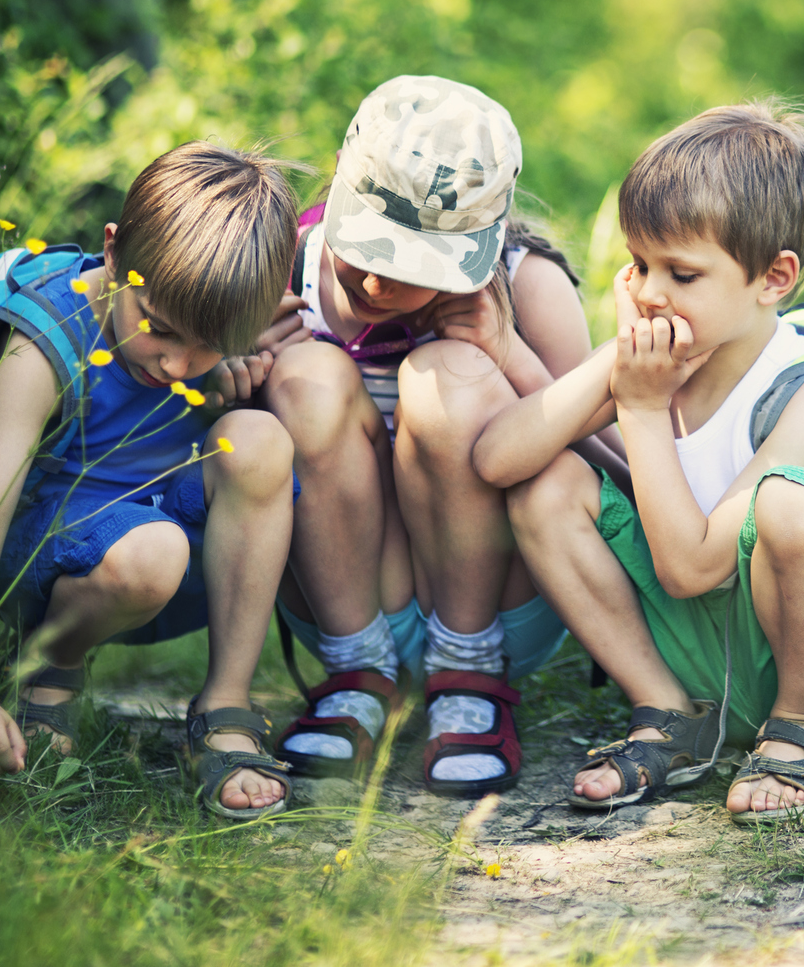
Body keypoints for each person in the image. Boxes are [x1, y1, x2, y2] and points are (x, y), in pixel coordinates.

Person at [475, 100, 804, 824]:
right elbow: (496, 460)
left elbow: (692, 567)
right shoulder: (653, 357)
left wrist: (639, 409)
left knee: (790, 504)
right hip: (692, 646)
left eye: (681, 273)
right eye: (638, 265)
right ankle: (670, 714)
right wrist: (615, 367)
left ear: (773, 278)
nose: (647, 293)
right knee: (544, 484)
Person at [254, 75, 604, 797]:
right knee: (306, 373)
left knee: (447, 374)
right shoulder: (281, 265)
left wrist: (508, 356)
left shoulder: (529, 283)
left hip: (498, 607)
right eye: (367, 251)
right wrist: (239, 368)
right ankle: (358, 670)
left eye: (412, 268)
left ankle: (469, 672)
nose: (378, 286)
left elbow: (605, 462)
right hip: (341, 592)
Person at [0, 141, 303, 819]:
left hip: (159, 531)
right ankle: (49, 664)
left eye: (205, 346)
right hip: (49, 556)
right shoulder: (48, 342)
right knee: (153, 552)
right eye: (159, 330)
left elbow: (205, 384)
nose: (175, 364)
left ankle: (225, 706)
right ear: (113, 250)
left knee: (260, 439)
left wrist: (227, 386)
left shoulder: (205, 318)